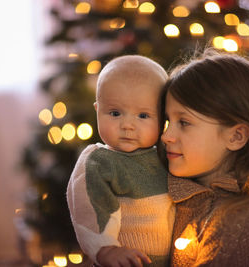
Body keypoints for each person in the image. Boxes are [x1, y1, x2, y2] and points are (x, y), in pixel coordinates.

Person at [160, 48, 249, 266]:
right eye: (167, 121)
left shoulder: (244, 222)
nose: (166, 136)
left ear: (236, 136)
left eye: (184, 123)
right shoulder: (169, 195)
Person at [67, 55, 175, 267]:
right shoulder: (99, 162)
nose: (127, 125)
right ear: (98, 110)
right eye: (115, 113)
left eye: (143, 116)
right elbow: (89, 208)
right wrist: (106, 249)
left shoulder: (166, 155)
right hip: (123, 261)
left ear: (162, 118)